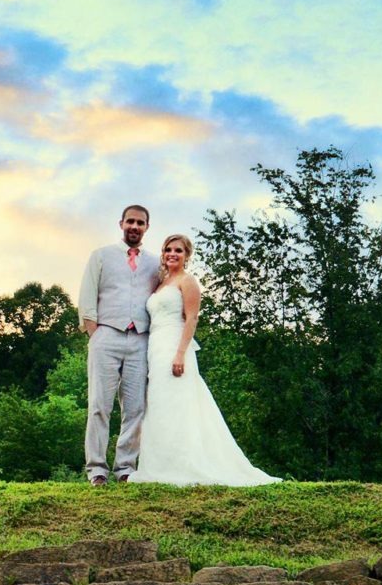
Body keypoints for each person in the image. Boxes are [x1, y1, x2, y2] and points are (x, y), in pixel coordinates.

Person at [129, 234, 279, 486]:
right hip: (155, 347)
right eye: (168, 249)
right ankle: (160, 464)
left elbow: (191, 319)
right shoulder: (161, 283)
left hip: (175, 347)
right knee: (158, 404)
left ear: (187, 255)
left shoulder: (188, 282)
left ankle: (186, 464)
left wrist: (180, 354)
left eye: (178, 250)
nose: (172, 254)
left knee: (179, 403)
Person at [78, 205, 159, 485]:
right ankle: (97, 469)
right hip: (106, 335)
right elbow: (87, 297)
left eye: (140, 223)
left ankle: (125, 467)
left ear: (147, 227)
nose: (135, 227)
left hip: (140, 339)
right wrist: (94, 333)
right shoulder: (101, 255)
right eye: (130, 221)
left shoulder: (154, 263)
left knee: (135, 407)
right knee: (100, 405)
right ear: (121, 223)